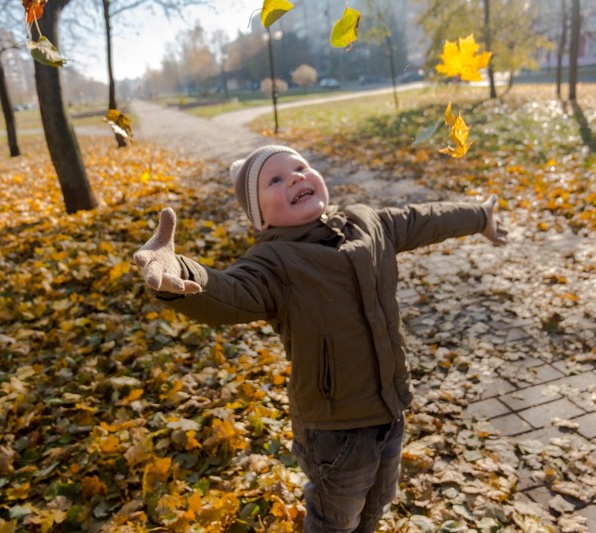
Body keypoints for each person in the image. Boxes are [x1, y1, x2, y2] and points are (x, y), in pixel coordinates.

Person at [133, 145, 508, 532]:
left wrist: (480, 215)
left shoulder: (366, 223)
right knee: (335, 518)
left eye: (301, 167)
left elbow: (423, 219)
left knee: (377, 503)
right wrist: (175, 271)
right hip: (334, 430)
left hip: (390, 408)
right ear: (260, 218)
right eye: (275, 180)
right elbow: (227, 293)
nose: (296, 177)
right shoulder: (273, 264)